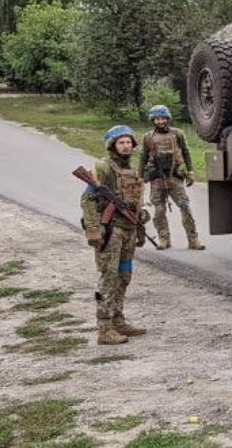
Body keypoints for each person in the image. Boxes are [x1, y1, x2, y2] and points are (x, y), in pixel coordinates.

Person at [81, 125, 149, 345]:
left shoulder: (134, 170)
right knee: (108, 278)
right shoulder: (103, 168)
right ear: (113, 145)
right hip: (111, 232)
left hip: (128, 230)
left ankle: (118, 320)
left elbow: (137, 202)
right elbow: (88, 199)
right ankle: (104, 328)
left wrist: (140, 224)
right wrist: (93, 229)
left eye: (129, 142)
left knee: (123, 276)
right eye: (121, 142)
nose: (126, 146)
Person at [140, 105, 204, 251]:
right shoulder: (148, 137)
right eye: (157, 119)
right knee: (159, 210)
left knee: (185, 207)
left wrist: (191, 172)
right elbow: (143, 157)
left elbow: (186, 153)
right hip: (156, 178)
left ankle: (193, 239)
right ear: (153, 120)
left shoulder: (178, 134)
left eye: (163, 118)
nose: (161, 121)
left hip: (175, 176)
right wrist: (140, 176)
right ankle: (164, 239)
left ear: (168, 119)